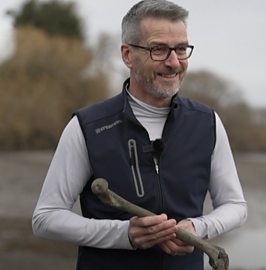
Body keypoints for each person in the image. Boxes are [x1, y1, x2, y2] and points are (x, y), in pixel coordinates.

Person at [32, 0, 247, 269]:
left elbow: (236, 206)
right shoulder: (87, 126)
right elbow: (45, 218)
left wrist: (199, 227)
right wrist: (124, 234)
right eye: (159, 49)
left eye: (181, 49)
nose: (173, 62)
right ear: (127, 55)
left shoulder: (207, 122)